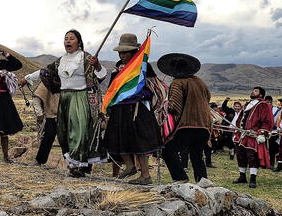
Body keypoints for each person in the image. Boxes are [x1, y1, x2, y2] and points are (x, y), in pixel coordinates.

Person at [20, 29, 106, 176]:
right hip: (64, 99)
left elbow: (102, 75)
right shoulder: (61, 61)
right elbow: (43, 71)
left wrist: (96, 65)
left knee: (78, 132)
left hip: (80, 98)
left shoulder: (86, 58)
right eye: (66, 38)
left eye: (71, 38)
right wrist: (27, 78)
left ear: (79, 42)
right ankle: (74, 164)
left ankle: (78, 167)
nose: (67, 41)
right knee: (64, 133)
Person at [103, 33, 162, 185]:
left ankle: (145, 175)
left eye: (125, 52)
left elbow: (152, 87)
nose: (122, 55)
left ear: (134, 52)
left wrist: (138, 91)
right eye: (120, 52)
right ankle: (130, 166)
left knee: (139, 140)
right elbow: (112, 89)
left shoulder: (144, 66)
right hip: (120, 110)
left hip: (138, 109)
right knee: (119, 137)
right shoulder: (118, 68)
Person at [157, 53, 212, 183]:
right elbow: (208, 98)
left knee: (168, 149)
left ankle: (181, 179)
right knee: (197, 155)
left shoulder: (177, 82)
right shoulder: (200, 81)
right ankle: (202, 182)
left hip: (187, 124)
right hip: (205, 125)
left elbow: (174, 107)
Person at [232, 86, 274, 188]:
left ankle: (253, 179)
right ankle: (242, 177)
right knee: (240, 155)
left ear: (261, 94)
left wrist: (262, 133)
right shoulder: (248, 104)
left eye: (255, 91)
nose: (252, 92)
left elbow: (267, 121)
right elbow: (240, 119)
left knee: (252, 157)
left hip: (254, 135)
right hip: (243, 134)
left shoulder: (264, 105)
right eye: (253, 90)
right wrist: (237, 131)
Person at [20, 71, 60, 166]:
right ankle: (40, 160)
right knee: (48, 137)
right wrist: (39, 114)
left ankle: (72, 163)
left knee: (66, 139)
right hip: (51, 115)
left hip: (64, 115)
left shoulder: (67, 83)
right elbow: (37, 97)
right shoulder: (45, 84)